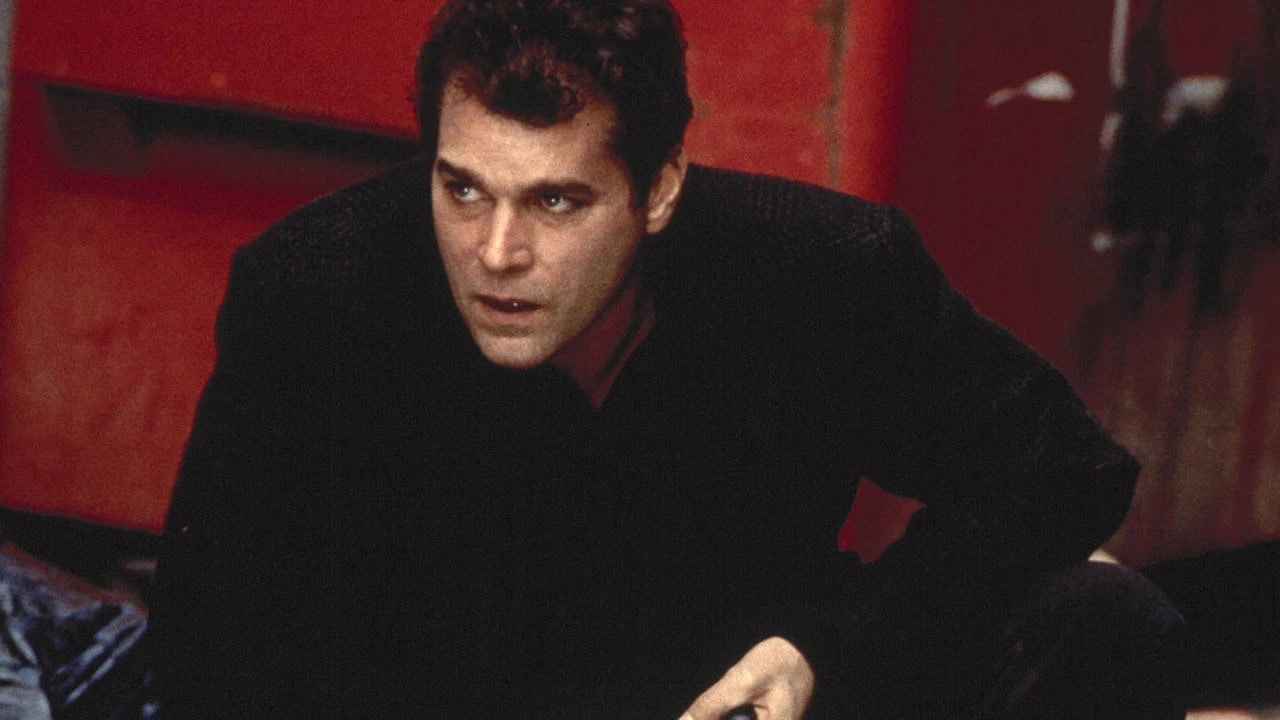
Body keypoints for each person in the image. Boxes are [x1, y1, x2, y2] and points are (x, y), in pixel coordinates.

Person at [149, 1, 1186, 718]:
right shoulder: (316, 295)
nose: (496, 253)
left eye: (557, 201)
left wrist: (826, 651)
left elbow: (1067, 468)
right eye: (462, 189)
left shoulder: (815, 272)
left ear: (658, 189)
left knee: (1099, 618)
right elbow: (215, 641)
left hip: (736, 697)